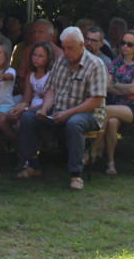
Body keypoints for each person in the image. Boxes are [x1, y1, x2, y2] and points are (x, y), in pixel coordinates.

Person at [13, 27, 107, 190]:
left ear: (82, 44)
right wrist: (45, 108)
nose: (66, 51)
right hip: (58, 109)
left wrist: (68, 113)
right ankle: (33, 165)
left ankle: (76, 175)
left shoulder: (95, 65)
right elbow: (51, 90)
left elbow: (96, 101)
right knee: (28, 117)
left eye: (70, 48)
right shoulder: (60, 62)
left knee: (74, 123)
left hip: (88, 113)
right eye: (63, 47)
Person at [98, 30, 134, 176]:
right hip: (120, 106)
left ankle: (95, 148)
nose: (125, 46)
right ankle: (110, 162)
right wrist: (123, 88)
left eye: (130, 44)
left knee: (106, 110)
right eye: (123, 42)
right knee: (112, 121)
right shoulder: (115, 63)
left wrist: (116, 85)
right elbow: (107, 86)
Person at [0, 41, 55, 157]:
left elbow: (50, 101)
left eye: (40, 56)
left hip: (43, 109)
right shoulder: (30, 75)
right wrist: (16, 109)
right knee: (2, 120)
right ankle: (21, 148)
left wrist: (25, 110)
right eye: (34, 55)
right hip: (29, 107)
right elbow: (26, 98)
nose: (36, 58)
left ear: (48, 58)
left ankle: (26, 155)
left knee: (21, 123)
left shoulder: (51, 75)